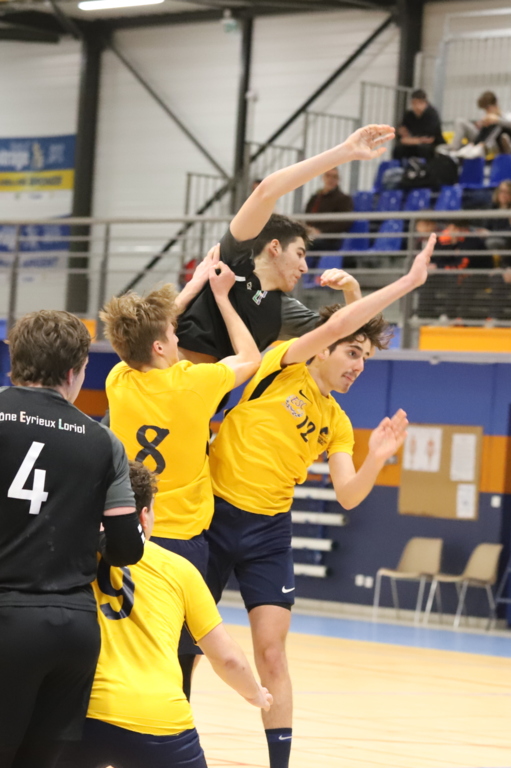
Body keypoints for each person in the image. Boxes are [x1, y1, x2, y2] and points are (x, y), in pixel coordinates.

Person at [205, 234, 436, 768]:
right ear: (324, 349)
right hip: (213, 514)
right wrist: (405, 283)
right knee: (187, 644)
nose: (359, 366)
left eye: (366, 360)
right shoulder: (282, 364)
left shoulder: (337, 422)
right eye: (353, 354)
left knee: (271, 653)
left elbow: (349, 495)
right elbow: (337, 325)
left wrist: (377, 457)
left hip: (268, 532)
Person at [99, 258, 261, 699]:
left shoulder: (118, 381)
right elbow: (250, 357)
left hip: (127, 533)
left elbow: (146, 333)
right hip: (183, 542)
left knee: (124, 643)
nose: (178, 337)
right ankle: (172, 724)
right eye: (173, 334)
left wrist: (189, 289)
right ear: (158, 346)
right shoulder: (196, 382)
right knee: (179, 655)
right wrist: (222, 298)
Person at [0, 310, 144, 768]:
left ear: (15, 359)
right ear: (73, 372)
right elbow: (127, 548)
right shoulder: (104, 443)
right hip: (73, 632)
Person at [57, 460, 272, 768]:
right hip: (159, 719)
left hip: (79, 715)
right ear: (144, 515)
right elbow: (228, 659)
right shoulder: (179, 570)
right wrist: (254, 694)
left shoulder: (68, 558)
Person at [176, 124, 395, 364]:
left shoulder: (283, 310)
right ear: (275, 247)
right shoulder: (234, 256)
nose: (304, 267)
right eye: (299, 254)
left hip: (212, 387)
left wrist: (352, 291)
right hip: (167, 374)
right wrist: (345, 152)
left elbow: (357, 341)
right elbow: (266, 192)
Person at [305, 167, 354, 273]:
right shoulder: (315, 198)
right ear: (323, 178)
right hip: (312, 235)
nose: (331, 179)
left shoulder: (344, 199)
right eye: (328, 176)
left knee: (305, 244)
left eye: (334, 177)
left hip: (331, 239)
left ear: (338, 179)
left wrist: (321, 231)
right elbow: (307, 216)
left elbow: (344, 222)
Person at [440, 91, 511, 159]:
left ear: (495, 105)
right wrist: (480, 125)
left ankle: (475, 149)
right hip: (479, 140)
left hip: (493, 144)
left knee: (498, 128)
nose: (486, 112)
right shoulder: (486, 117)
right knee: (460, 121)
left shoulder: (506, 116)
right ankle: (454, 149)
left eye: (487, 108)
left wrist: (497, 120)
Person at [393, 89, 445, 162]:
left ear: (425, 103)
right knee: (398, 149)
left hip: (433, 145)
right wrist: (416, 140)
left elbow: (429, 139)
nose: (417, 106)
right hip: (415, 144)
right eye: (414, 103)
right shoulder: (409, 115)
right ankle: (398, 167)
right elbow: (402, 134)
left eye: (420, 103)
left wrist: (410, 140)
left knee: (424, 149)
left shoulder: (432, 114)